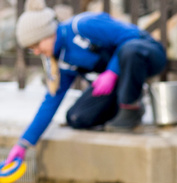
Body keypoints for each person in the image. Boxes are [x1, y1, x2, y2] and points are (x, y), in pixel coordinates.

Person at [4, 0, 167, 167]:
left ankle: (130, 108)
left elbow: (132, 36)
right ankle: (125, 102)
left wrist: (112, 71)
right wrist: (23, 144)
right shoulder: (61, 60)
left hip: (147, 54)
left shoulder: (82, 26)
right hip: (116, 79)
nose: (37, 51)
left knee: (130, 50)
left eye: (37, 44)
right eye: (32, 49)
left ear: (48, 33)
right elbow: (51, 101)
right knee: (76, 117)